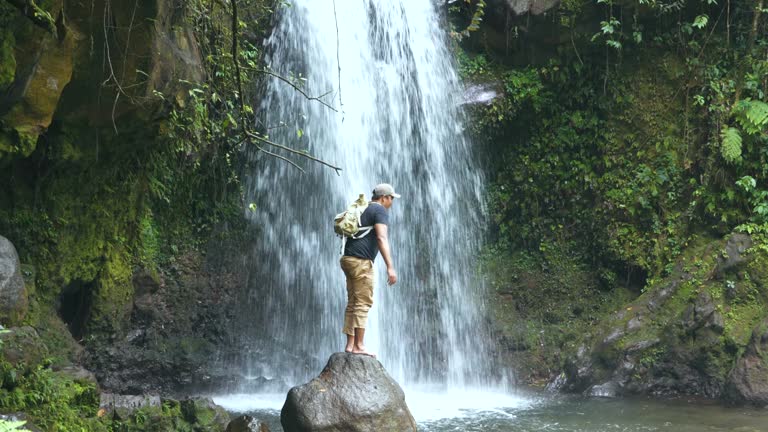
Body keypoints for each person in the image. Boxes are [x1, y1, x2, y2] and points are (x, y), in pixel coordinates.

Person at [339, 183, 400, 357]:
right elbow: (381, 237)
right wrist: (390, 267)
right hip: (361, 261)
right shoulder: (380, 211)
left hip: (347, 259)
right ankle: (359, 345)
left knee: (352, 302)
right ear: (384, 198)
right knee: (363, 303)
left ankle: (350, 345)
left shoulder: (363, 208)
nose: (392, 203)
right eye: (391, 199)